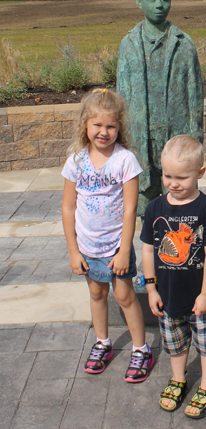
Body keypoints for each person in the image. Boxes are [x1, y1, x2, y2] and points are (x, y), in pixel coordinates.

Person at [61, 89, 154, 382]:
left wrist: (125, 250)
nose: (104, 132)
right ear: (85, 125)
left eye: (111, 126)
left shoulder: (125, 161)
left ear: (119, 127)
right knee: (97, 293)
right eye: (97, 125)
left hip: (116, 246)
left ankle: (142, 349)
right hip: (87, 246)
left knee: (125, 295)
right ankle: (103, 343)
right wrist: (73, 251)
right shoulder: (76, 161)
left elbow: (130, 210)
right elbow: (67, 208)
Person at [141, 135, 206, 419]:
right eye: (167, 175)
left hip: (199, 296)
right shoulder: (154, 209)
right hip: (167, 294)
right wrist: (151, 288)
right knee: (174, 343)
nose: (173, 183)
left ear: (200, 173)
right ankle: (178, 379)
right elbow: (148, 251)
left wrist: (205, 294)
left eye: (182, 177)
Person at [117, 0, 204, 219]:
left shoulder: (183, 44)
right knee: (142, 207)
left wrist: (195, 144)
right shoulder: (129, 44)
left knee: (179, 207)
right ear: (139, 2)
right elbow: (122, 98)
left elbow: (195, 99)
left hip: (175, 140)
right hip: (140, 142)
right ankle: (150, 256)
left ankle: (180, 256)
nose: (159, 5)